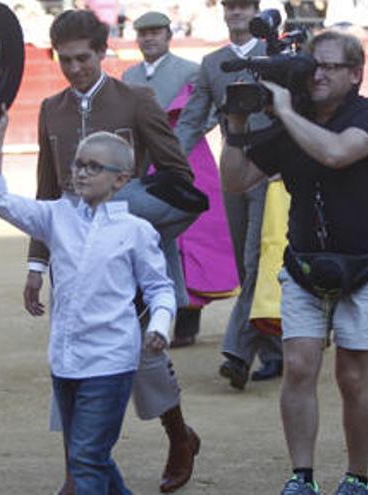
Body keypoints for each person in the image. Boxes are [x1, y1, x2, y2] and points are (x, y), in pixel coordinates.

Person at [27, 10, 200, 494]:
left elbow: (178, 179)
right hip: (71, 254)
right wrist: (36, 263)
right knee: (71, 355)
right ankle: (76, 471)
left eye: (83, 58)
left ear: (102, 53)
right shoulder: (51, 109)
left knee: (145, 357)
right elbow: (45, 191)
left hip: (129, 251)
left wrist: (132, 214)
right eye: (65, 60)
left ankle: (178, 435)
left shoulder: (136, 101)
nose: (75, 68)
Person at [220, 30, 368, 495]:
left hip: (367, 265)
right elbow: (237, 180)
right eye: (312, 65)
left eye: (331, 67)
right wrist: (235, 127)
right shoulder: (290, 120)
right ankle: (302, 477)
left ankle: (357, 477)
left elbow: (336, 153)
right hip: (304, 265)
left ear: (355, 74)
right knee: (299, 366)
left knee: (353, 376)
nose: (317, 74)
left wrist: (281, 113)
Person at [0, 109, 176, 494]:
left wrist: (158, 326)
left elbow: (159, 287)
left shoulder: (136, 231)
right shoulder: (56, 217)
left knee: (84, 461)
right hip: (65, 359)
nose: (81, 173)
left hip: (111, 359)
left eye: (93, 167)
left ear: (121, 179)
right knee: (92, 458)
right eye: (78, 165)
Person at [174, 0, 284, 390]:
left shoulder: (276, 53)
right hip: (234, 171)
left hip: (275, 172)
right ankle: (275, 351)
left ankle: (238, 352)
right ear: (223, 12)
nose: (237, 12)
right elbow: (192, 118)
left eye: (244, 5)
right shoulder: (212, 63)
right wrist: (171, 160)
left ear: (255, 10)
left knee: (256, 261)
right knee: (244, 263)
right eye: (231, 6)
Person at [122, 11, 239, 349]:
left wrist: (182, 138)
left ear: (168, 34)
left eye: (155, 32)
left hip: (187, 159)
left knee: (191, 237)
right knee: (148, 236)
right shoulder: (129, 75)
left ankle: (187, 320)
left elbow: (215, 110)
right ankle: (154, 313)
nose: (149, 38)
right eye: (143, 33)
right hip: (143, 163)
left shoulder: (191, 70)